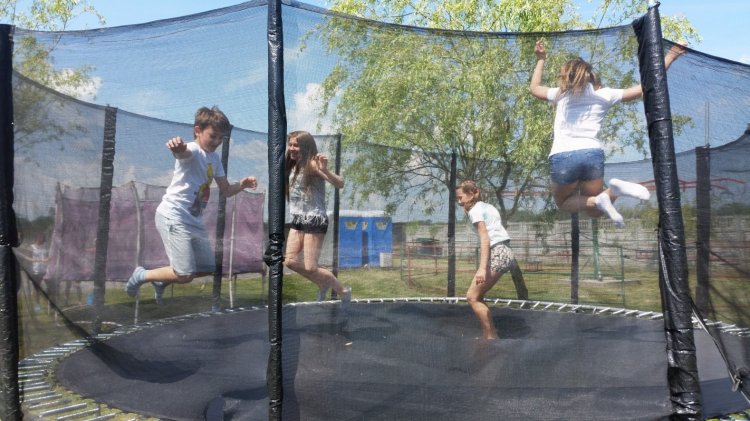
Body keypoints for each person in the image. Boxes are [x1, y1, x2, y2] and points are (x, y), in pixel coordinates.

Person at [529, 40, 686, 227]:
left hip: (563, 156)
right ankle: (612, 192)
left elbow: (534, 88)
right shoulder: (605, 94)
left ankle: (609, 194)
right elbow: (645, 86)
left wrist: (541, 59)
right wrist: (672, 55)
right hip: (591, 153)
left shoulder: (561, 94)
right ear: (595, 82)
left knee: (562, 202)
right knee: (595, 210)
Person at [126, 106, 257, 304]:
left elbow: (226, 190)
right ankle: (141, 275)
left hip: (193, 221)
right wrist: (177, 148)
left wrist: (242, 185)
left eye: (221, 138)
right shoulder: (194, 150)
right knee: (184, 274)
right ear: (197, 131)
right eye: (212, 136)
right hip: (174, 216)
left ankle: (161, 280)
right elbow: (183, 154)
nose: (217, 142)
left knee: (206, 267)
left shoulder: (215, 159)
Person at [284, 130, 350, 303]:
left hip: (314, 219)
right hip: (298, 219)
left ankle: (343, 291)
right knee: (290, 261)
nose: (292, 148)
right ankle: (322, 283)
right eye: (290, 145)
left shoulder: (312, 165)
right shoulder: (293, 165)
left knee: (311, 266)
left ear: (306, 147)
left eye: (296, 145)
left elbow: (339, 183)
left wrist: (325, 170)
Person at [456, 181, 513, 340]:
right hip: (505, 251)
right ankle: (488, 334)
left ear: (472, 194)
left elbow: (485, 238)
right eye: (457, 199)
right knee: (478, 296)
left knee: (472, 297)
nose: (459, 202)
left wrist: (482, 268)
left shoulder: (475, 211)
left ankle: (491, 336)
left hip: (497, 252)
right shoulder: (489, 207)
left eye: (461, 197)